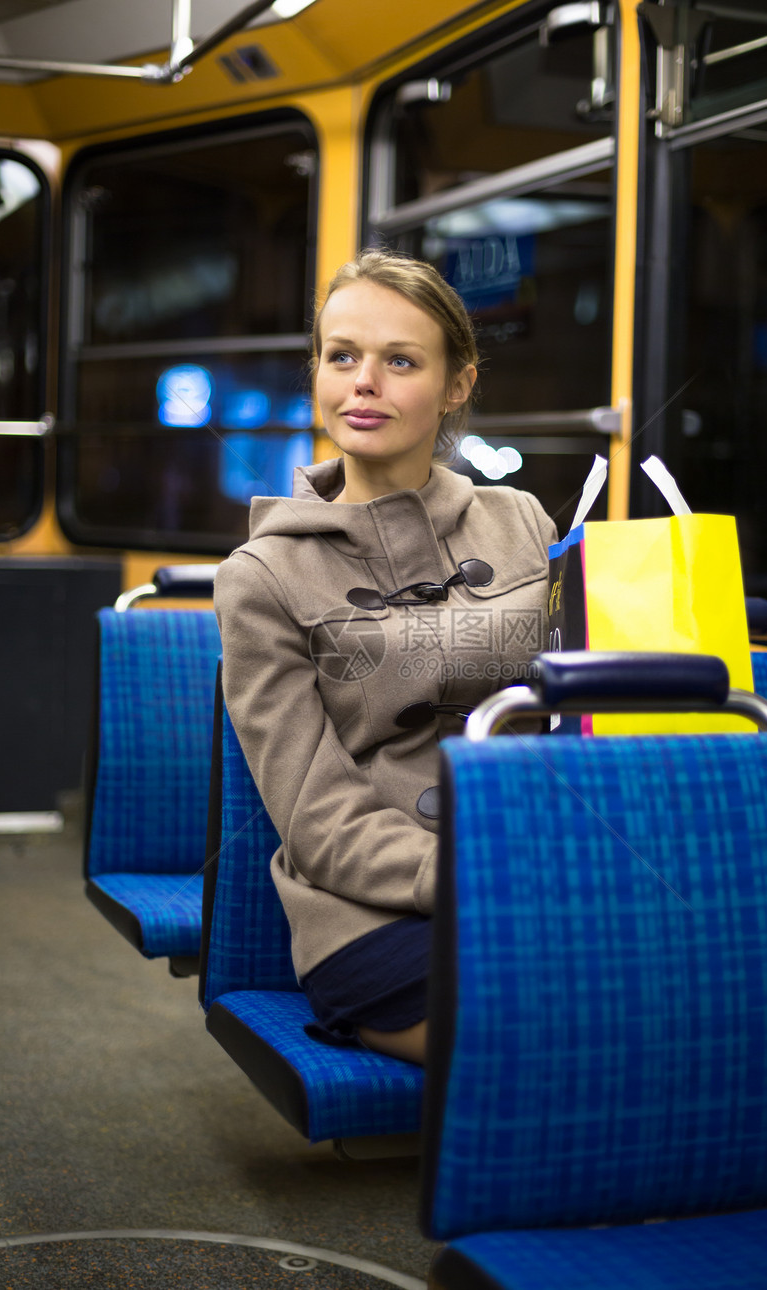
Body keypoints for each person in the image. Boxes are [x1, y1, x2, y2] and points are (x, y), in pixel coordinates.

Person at [215, 249, 557, 1065]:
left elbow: (576, 718)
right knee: (544, 1026)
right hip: (372, 914)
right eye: (342, 357)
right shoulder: (262, 576)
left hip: (539, 869)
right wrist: (478, 871)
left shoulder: (526, 524)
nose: (362, 383)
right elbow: (315, 814)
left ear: (457, 385)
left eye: (400, 361)